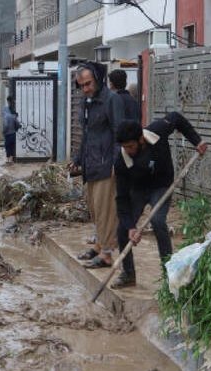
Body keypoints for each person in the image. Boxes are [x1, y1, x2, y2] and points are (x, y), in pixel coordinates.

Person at [112, 113, 207, 288]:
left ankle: (169, 275)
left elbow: (177, 118)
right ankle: (128, 274)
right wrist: (131, 228)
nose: (128, 151)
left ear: (141, 139)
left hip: (162, 186)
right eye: (124, 147)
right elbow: (122, 198)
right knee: (123, 229)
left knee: (157, 221)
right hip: (138, 190)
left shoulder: (157, 130)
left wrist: (197, 141)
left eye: (131, 146)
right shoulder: (121, 162)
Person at [69, 61, 125, 269]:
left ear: (98, 80)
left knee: (106, 210)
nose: (85, 89)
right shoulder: (87, 103)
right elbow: (86, 134)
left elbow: (119, 132)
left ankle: (107, 254)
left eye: (88, 84)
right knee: (94, 208)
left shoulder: (112, 100)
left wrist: (115, 162)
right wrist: (77, 159)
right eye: (81, 86)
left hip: (106, 164)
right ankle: (100, 245)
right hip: (90, 165)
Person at [2, 95, 21, 164]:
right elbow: (18, 123)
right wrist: (18, 127)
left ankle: (7, 160)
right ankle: (11, 160)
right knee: (12, 147)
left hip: (7, 134)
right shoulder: (13, 113)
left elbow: (6, 124)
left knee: (7, 147)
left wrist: (4, 131)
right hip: (13, 133)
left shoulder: (6, 113)